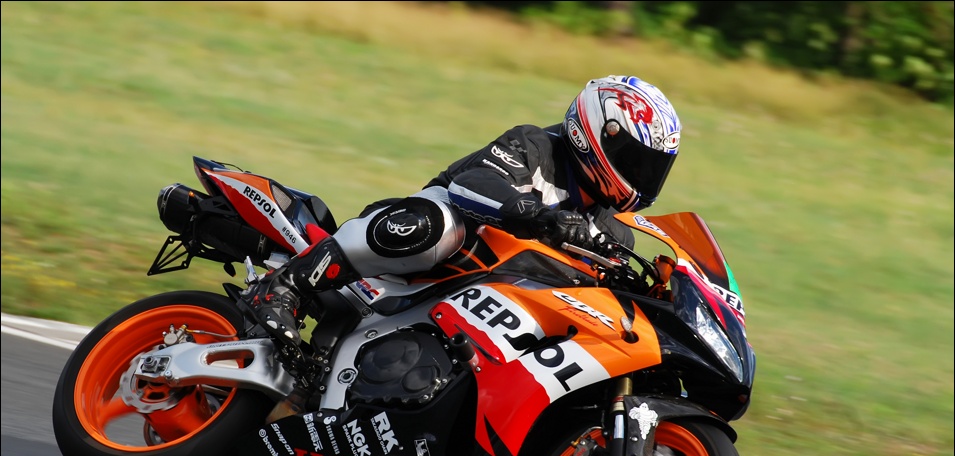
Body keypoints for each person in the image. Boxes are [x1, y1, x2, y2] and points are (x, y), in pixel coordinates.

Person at [244, 75, 682, 346]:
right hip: (423, 261)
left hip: (490, 312)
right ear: (596, 133)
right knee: (440, 225)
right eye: (636, 161)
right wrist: (543, 217)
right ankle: (284, 287)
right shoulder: (533, 145)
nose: (643, 178)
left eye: (653, 169)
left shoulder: (616, 232)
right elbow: (472, 186)